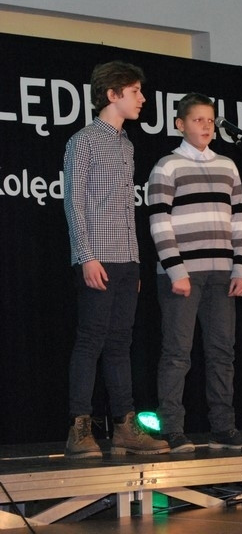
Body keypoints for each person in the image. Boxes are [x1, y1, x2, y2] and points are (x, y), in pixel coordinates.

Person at [63, 61, 169, 458]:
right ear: (112, 94)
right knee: (90, 340)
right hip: (97, 259)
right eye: (135, 91)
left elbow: (126, 209)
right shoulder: (84, 141)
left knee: (121, 343)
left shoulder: (127, 145)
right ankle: (79, 427)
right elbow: (74, 203)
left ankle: (124, 426)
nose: (142, 98)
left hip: (126, 260)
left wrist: (135, 262)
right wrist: (86, 257)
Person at [147, 93, 242, 452]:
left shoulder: (228, 165)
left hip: (222, 274)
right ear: (180, 124)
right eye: (198, 120)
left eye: (210, 120)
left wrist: (241, 266)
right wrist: (175, 269)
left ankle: (223, 427)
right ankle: (172, 429)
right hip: (182, 275)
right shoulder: (167, 166)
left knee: (223, 352)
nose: (206, 126)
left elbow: (239, 220)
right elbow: (159, 221)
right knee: (177, 352)